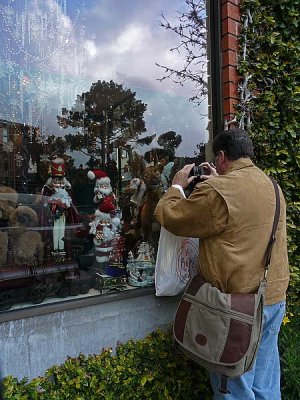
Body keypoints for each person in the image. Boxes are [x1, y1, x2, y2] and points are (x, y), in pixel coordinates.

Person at [154, 128, 289, 399]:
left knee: (234, 388)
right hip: (272, 298)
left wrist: (177, 185)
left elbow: (170, 215)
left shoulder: (219, 191)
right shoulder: (272, 185)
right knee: (264, 383)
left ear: (222, 157)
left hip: (237, 308)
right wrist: (219, 182)